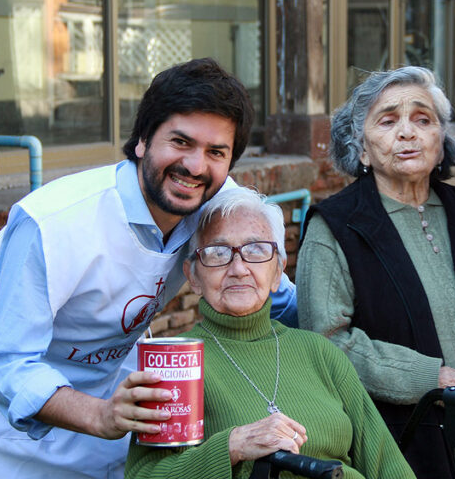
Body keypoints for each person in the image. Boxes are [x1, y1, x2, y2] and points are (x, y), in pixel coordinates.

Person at [0, 58, 296, 479]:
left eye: (216, 152)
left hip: (109, 376)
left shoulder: (216, 201)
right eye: (180, 141)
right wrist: (101, 416)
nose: (195, 167)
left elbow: (273, 288)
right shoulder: (53, 222)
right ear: (142, 139)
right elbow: (6, 363)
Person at [296, 66, 455, 478]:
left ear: (441, 142)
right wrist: (432, 379)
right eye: (387, 120)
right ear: (362, 148)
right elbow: (327, 341)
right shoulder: (335, 226)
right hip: (401, 444)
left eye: (423, 119)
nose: (407, 132)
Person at [125, 187, 415, 479]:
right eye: (217, 252)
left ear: (278, 272)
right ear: (193, 276)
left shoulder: (319, 352)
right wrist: (231, 447)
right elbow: (145, 474)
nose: (238, 268)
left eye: (256, 250)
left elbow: (388, 465)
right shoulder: (176, 363)